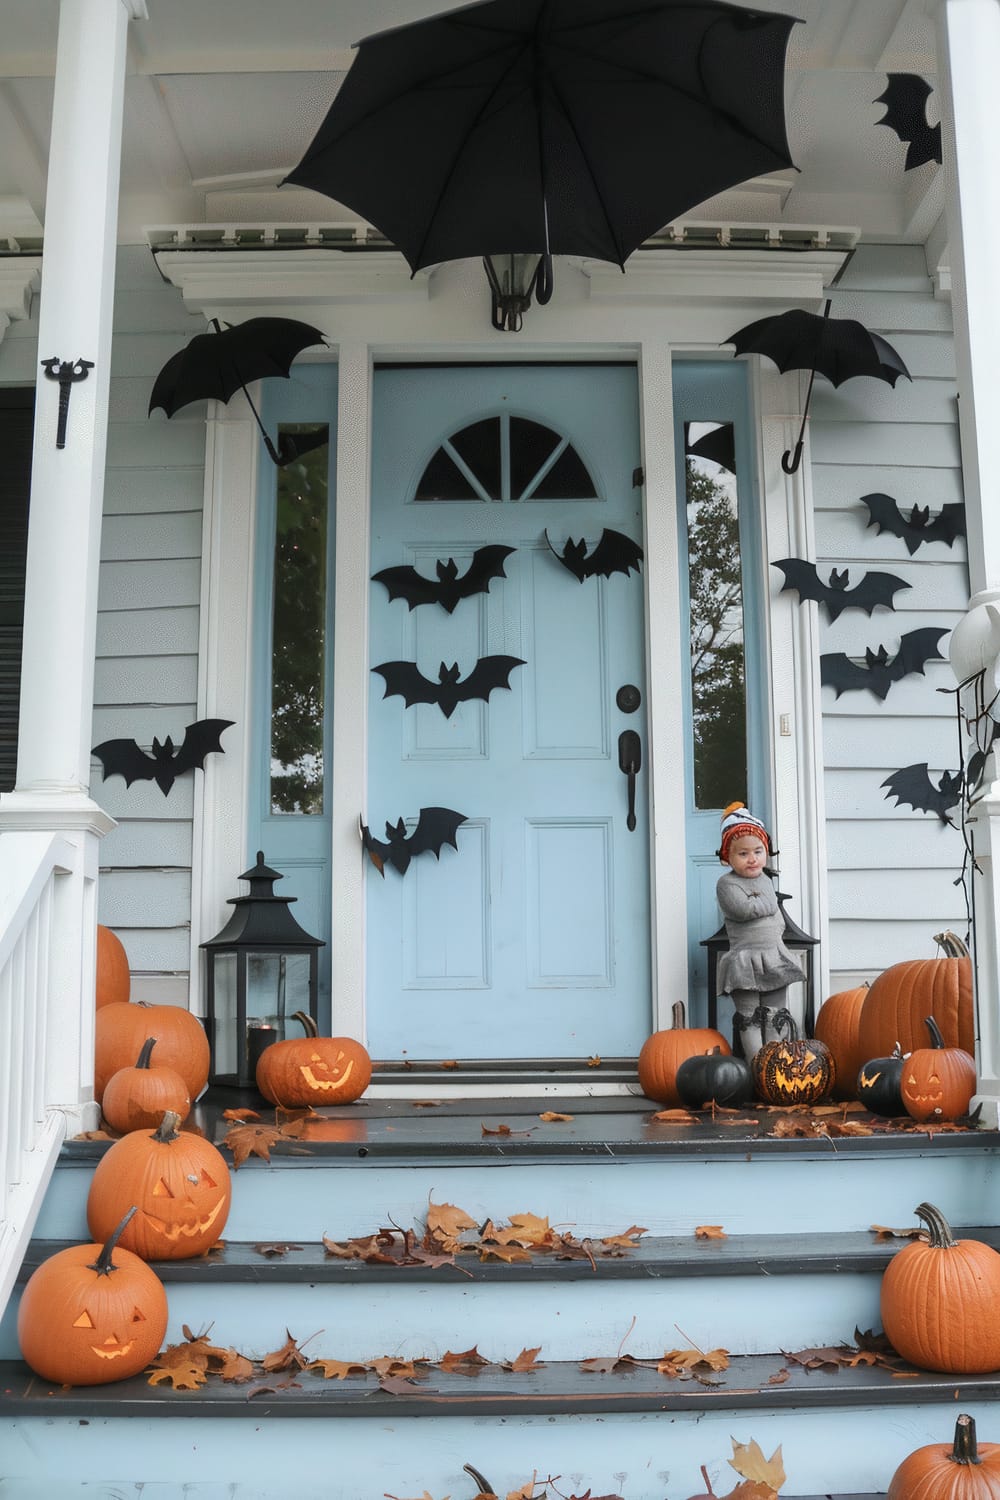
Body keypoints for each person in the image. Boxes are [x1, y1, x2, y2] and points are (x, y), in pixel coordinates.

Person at [716, 802, 803, 1063]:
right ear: (727, 857)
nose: (752, 858)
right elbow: (744, 909)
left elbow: (769, 914)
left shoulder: (765, 880)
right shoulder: (727, 884)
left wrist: (764, 905)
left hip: (773, 955)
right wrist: (768, 903)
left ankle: (775, 1065)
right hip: (745, 959)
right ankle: (757, 1067)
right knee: (750, 1017)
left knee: (774, 1013)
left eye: (758, 851)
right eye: (743, 854)